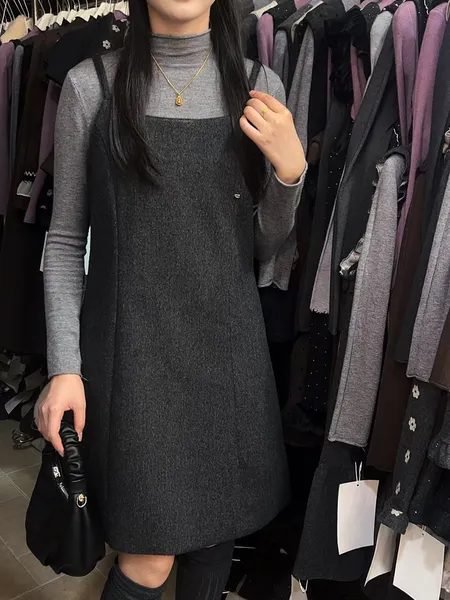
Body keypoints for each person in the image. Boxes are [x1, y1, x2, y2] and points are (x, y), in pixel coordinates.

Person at [38, 0, 306, 598]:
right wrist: (64, 367)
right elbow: (65, 241)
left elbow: (264, 247)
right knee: (148, 559)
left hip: (228, 358)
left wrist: (290, 175)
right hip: (133, 364)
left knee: (214, 540)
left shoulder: (260, 88)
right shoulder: (91, 85)